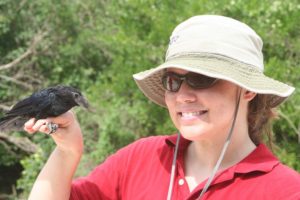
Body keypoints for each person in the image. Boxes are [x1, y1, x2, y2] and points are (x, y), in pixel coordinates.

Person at [25, 15, 300, 200]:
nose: (182, 95)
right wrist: (68, 151)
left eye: (202, 78)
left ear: (247, 88)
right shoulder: (141, 158)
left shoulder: (286, 190)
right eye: (173, 80)